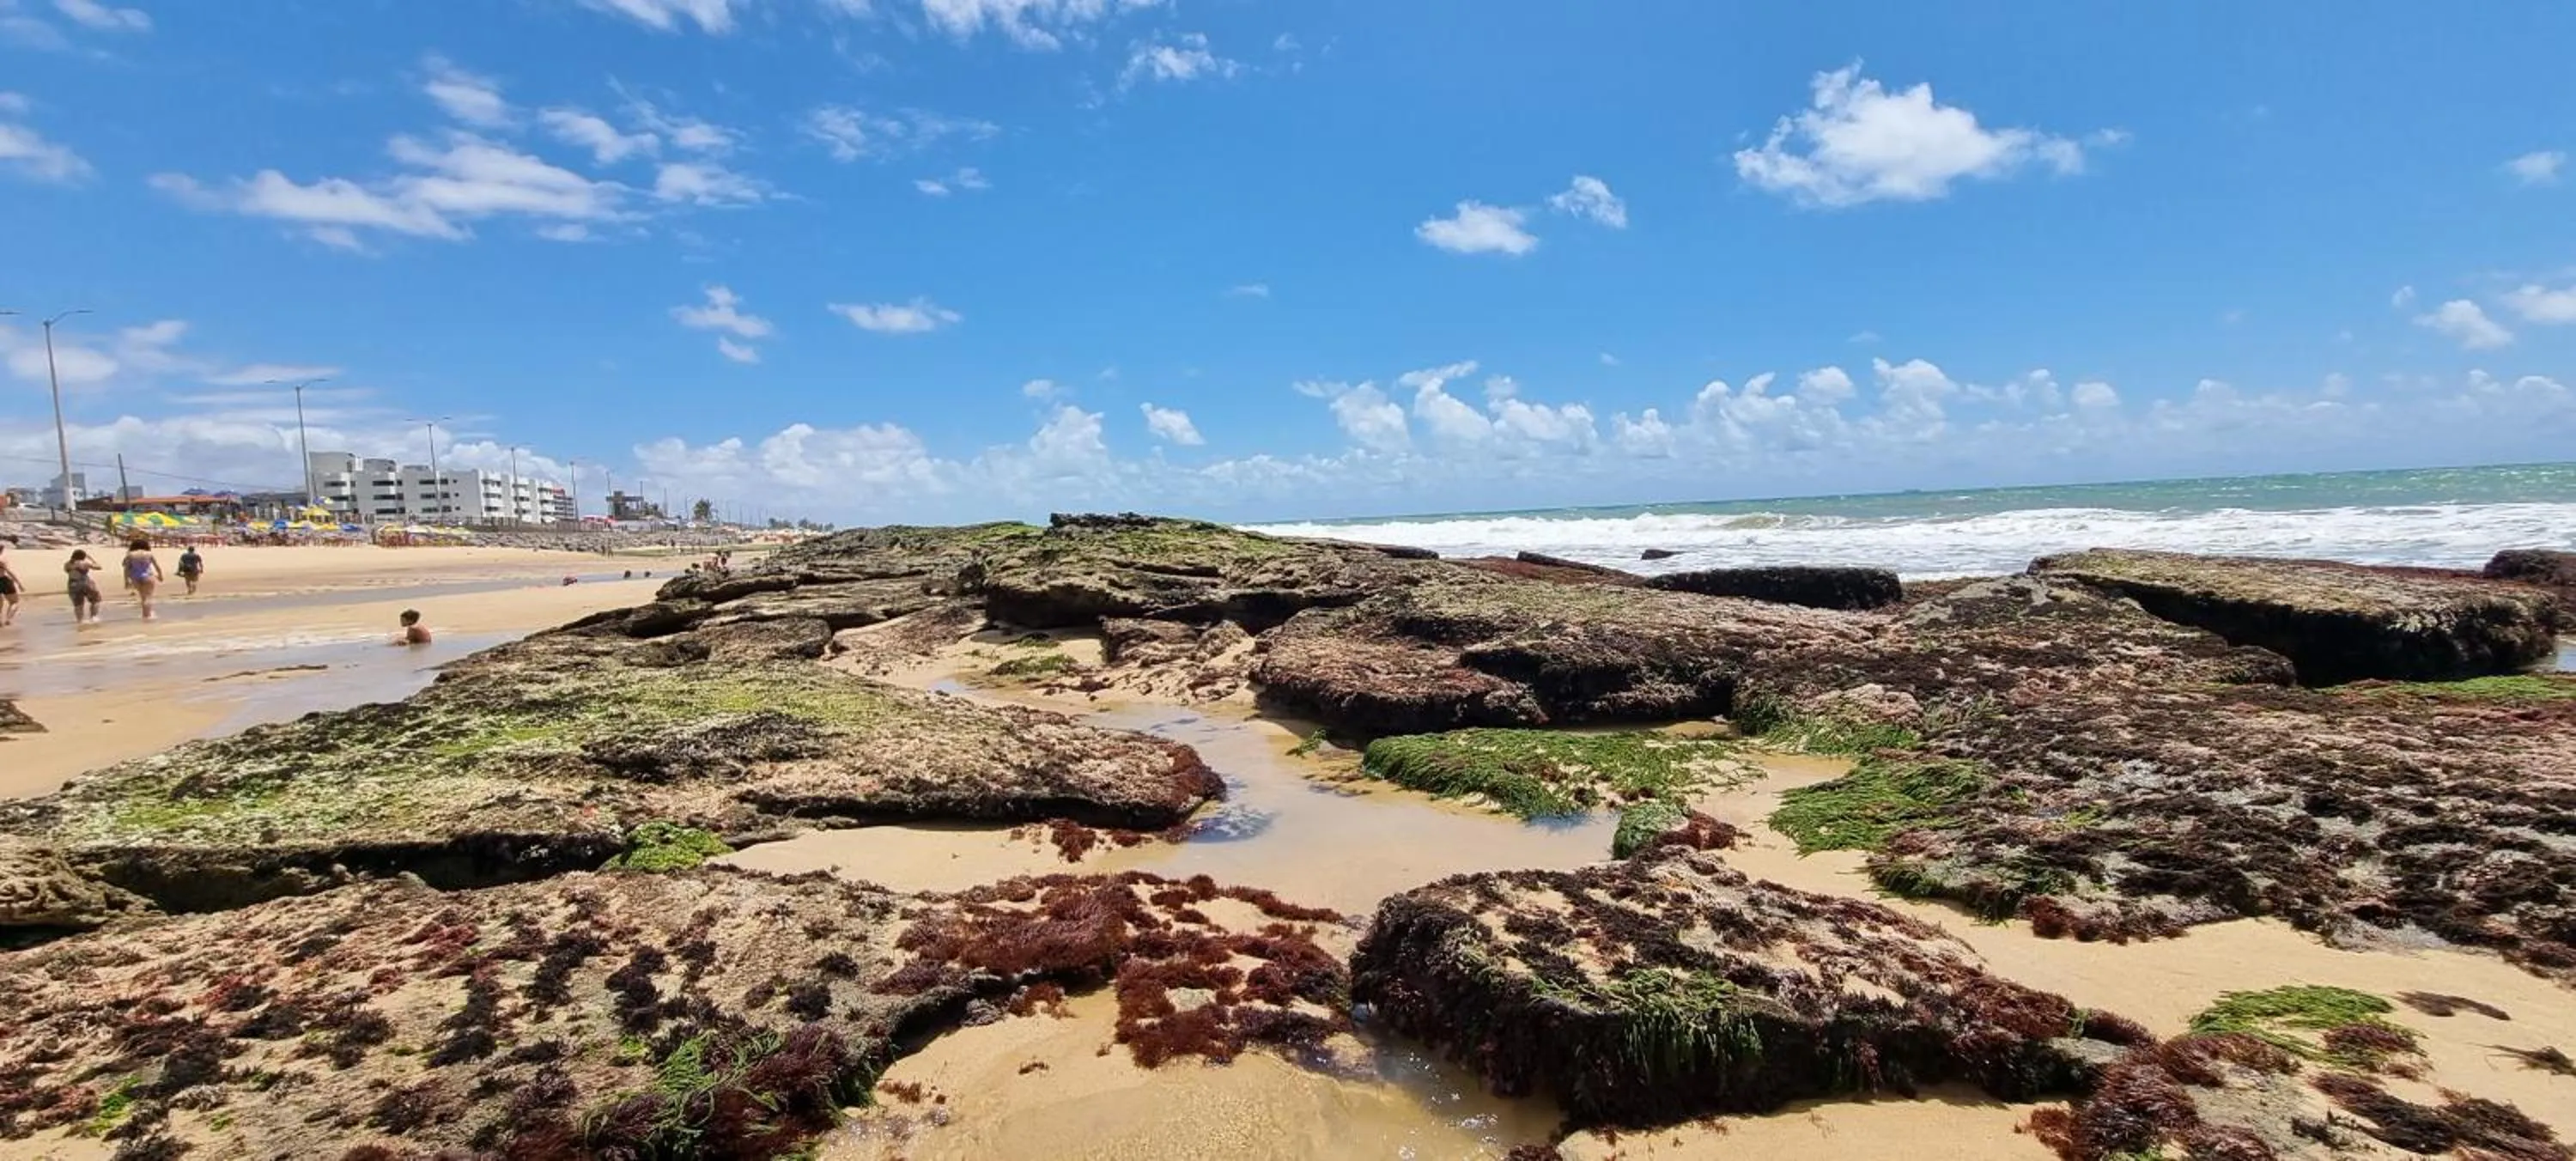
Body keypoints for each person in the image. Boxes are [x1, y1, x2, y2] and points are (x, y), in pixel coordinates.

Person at [121, 538, 166, 622]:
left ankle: (145, 614)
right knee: (148, 597)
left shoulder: (130, 554)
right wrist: (160, 575)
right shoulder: (149, 554)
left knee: (143, 597)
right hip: (148, 576)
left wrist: (126, 581)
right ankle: (147, 616)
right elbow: (157, 566)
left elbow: (126, 568)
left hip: (135, 577)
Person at [64, 550, 103, 625]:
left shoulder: (67, 564)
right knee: (95, 599)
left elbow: (67, 571)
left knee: (78, 604)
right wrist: (91, 559)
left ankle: (80, 620)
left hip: (73, 584)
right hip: (85, 582)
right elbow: (99, 567)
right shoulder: (84, 563)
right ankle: (93, 617)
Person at [0, 542, 21, 628]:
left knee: (0, 603)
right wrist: (19, 584)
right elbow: (9, 572)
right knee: (15, 602)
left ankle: (1, 621)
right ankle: (8, 619)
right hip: (4, 581)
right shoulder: (2, 560)